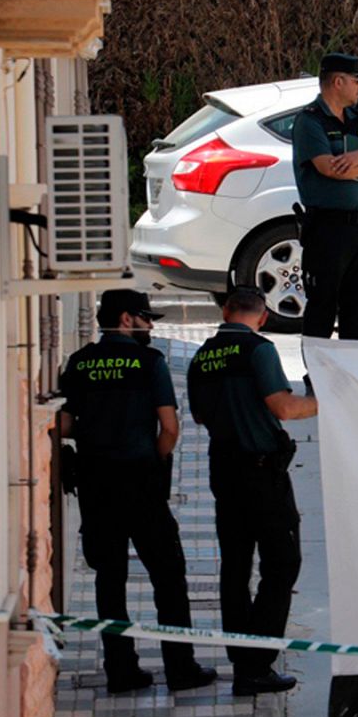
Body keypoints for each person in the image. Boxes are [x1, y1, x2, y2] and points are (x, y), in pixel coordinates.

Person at [58, 290, 216, 695]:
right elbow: (170, 427)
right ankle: (180, 668)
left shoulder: (79, 363)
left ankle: (121, 672)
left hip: (96, 483)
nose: (152, 326)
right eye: (147, 318)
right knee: (168, 575)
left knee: (109, 580)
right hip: (141, 481)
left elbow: (63, 424)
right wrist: (156, 462)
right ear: (126, 319)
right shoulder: (149, 362)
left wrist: (97, 427)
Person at [187, 288, 319, 696]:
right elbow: (283, 408)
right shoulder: (258, 350)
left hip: (224, 469)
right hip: (262, 472)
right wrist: (322, 399)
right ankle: (257, 663)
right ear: (262, 318)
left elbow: (199, 415)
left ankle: (242, 657)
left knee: (236, 566)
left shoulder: (201, 357)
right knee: (282, 564)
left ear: (225, 311)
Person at [291, 52, 358, 341]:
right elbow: (329, 168)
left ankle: (352, 377)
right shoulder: (310, 121)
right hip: (328, 226)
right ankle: (318, 379)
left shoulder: (357, 120)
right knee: (323, 305)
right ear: (338, 81)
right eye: (356, 81)